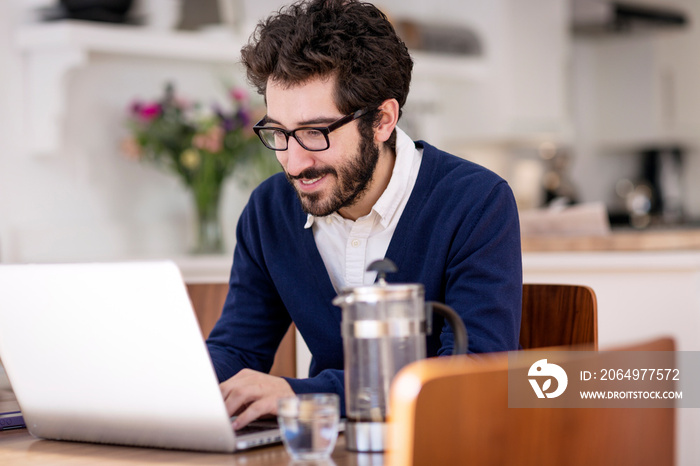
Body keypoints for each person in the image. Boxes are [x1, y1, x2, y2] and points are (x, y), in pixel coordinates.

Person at [206, 0, 522, 430]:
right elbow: (238, 350)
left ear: (382, 121)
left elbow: (470, 375)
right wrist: (174, 383)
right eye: (278, 132)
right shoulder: (268, 211)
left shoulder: (476, 202)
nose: (294, 162)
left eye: (315, 133)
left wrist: (300, 395)